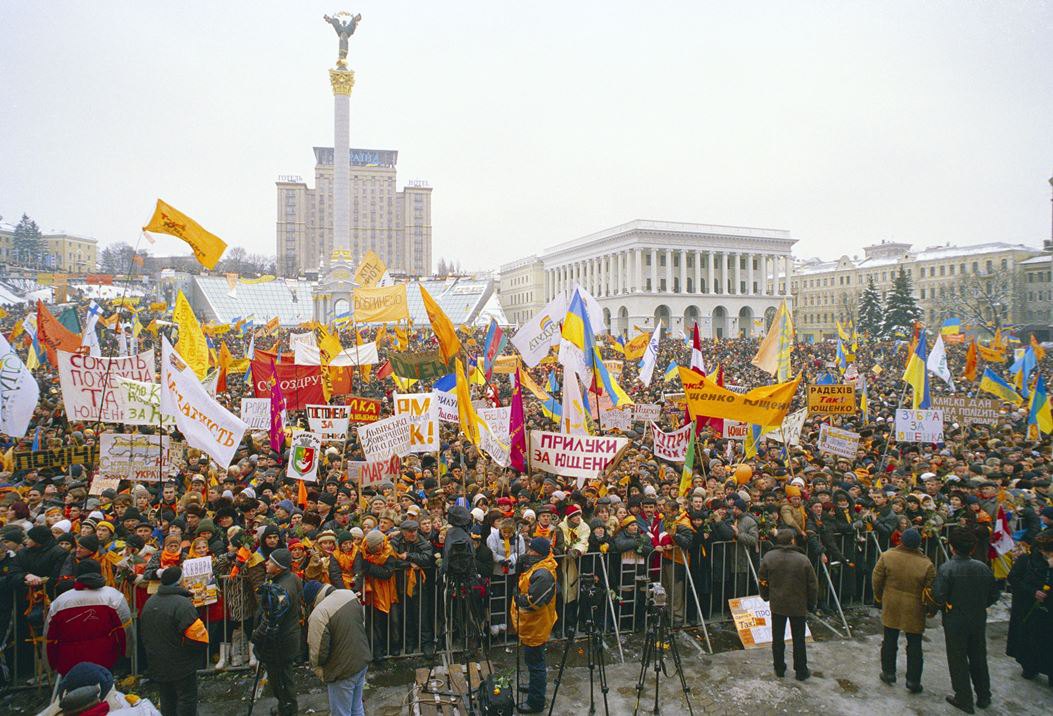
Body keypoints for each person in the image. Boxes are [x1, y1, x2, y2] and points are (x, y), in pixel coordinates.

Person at [933, 526, 1001, 714]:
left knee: (958, 658)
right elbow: (994, 595)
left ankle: (964, 698)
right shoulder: (983, 567)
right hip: (978, 618)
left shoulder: (947, 569)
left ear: (952, 548)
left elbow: (938, 595)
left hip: (955, 619)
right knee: (979, 655)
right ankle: (984, 695)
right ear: (971, 549)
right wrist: (979, 605)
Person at [871, 527, 935, 693]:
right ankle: (913, 681)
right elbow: (931, 589)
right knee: (914, 644)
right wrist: (931, 608)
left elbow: (876, 579)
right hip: (914, 606)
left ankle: (888, 672)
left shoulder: (888, 556)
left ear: (901, 541)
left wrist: (879, 597)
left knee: (890, 639)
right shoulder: (926, 564)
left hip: (891, 602)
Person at [139, 565, 209, 716]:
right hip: (181, 663)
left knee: (167, 700)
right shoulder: (183, 604)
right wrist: (193, 656)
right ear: (180, 581)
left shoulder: (150, 603)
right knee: (186, 699)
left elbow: (144, 633)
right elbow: (199, 639)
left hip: (157, 661)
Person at [43, 559, 131, 677]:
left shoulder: (60, 601)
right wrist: (127, 652)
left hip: (70, 661)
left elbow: (49, 637)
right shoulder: (113, 596)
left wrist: (50, 665)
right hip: (104, 657)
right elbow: (125, 629)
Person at [305, 580, 371, 716]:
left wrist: (320, 670)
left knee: (341, 712)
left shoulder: (319, 613)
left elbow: (318, 653)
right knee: (356, 707)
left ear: (312, 601)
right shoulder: (349, 594)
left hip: (341, 671)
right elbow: (360, 620)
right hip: (361, 660)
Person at [758, 528, 817, 681]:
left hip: (778, 603)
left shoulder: (769, 557)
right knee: (799, 639)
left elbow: (763, 579)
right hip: (798, 604)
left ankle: (779, 668)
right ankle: (801, 670)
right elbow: (812, 584)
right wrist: (811, 603)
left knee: (777, 637)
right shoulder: (802, 559)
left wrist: (765, 595)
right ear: (792, 540)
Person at [509, 537, 558, 714]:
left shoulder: (544, 573)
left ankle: (536, 701)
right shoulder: (537, 565)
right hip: (531, 623)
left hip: (537, 623)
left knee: (536, 663)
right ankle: (533, 687)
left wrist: (518, 598)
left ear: (537, 552)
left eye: (530, 550)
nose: (528, 552)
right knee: (532, 660)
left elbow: (535, 601)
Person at [253, 547, 303, 716]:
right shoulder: (292, 578)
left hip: (280, 642)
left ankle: (288, 710)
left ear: (279, 567)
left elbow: (272, 618)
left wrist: (256, 636)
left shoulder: (282, 590)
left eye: (271, 562)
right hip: (288, 637)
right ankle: (285, 707)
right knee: (283, 678)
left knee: (281, 681)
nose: (266, 563)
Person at [1005, 529, 1053, 684]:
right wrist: (1033, 592)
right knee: (1029, 641)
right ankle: (1029, 667)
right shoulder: (1026, 560)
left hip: (1048, 615)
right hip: (1028, 609)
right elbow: (1014, 578)